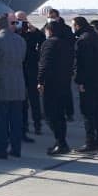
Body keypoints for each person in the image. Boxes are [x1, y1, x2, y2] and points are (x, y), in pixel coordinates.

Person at [0, 15, 27, 158]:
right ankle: (16, 149)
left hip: (1, 86)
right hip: (18, 86)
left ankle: (1, 149)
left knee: (0, 120)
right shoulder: (20, 40)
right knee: (16, 120)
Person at [37, 20, 75, 155]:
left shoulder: (49, 43)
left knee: (50, 115)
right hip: (64, 83)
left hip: (51, 84)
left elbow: (44, 65)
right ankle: (61, 142)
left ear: (50, 31)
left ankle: (61, 142)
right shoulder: (66, 44)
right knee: (60, 115)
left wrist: (40, 81)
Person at [72, 16, 98, 152]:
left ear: (77, 26)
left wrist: (80, 81)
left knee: (88, 113)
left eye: (73, 25)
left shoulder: (83, 40)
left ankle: (90, 142)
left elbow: (82, 64)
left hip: (88, 83)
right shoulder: (97, 38)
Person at [43, 6, 77, 121]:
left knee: (65, 90)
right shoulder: (46, 28)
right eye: (48, 18)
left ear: (57, 17)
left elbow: (72, 46)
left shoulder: (66, 29)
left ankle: (68, 112)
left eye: (52, 17)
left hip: (64, 66)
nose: (50, 20)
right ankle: (51, 111)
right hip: (52, 66)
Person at [15, 11, 45, 139]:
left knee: (34, 100)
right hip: (19, 69)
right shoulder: (15, 33)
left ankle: (37, 124)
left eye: (23, 20)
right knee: (22, 100)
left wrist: (36, 31)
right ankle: (24, 125)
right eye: (17, 20)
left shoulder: (33, 33)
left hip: (31, 69)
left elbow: (43, 41)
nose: (20, 23)